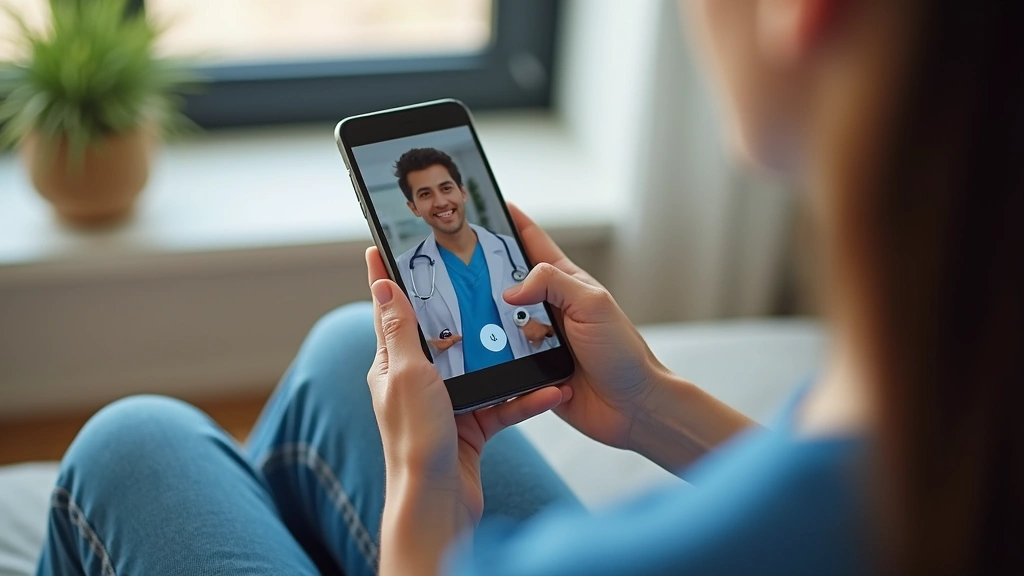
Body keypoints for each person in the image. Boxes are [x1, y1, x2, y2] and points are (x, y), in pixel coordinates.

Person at [35, 1, 1022, 575]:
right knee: (351, 348)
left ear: (802, 15)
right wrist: (651, 411)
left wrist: (424, 510)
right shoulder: (956, 448)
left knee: (138, 444)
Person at [393, 147, 556, 378]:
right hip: (464, 394)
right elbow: (404, 344)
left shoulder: (511, 249)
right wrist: (430, 346)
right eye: (425, 194)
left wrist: (545, 329)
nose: (440, 201)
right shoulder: (405, 268)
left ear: (463, 192)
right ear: (414, 208)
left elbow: (554, 317)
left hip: (528, 379)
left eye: (446, 188)